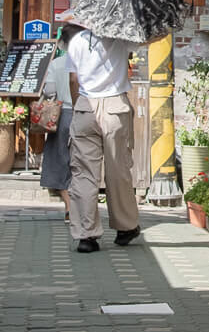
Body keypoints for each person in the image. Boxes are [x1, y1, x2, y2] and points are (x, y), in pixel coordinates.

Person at [63, 15, 141, 254]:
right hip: (115, 107)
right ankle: (125, 227)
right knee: (118, 170)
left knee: (84, 173)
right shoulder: (121, 38)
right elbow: (146, 39)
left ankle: (86, 235)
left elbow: (73, 80)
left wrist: (78, 106)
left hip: (85, 106)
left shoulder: (76, 41)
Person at [38, 31, 73, 219]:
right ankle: (83, 207)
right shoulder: (86, 64)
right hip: (84, 113)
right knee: (82, 162)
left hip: (61, 115)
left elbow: (50, 90)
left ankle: (69, 207)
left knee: (60, 160)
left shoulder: (57, 64)